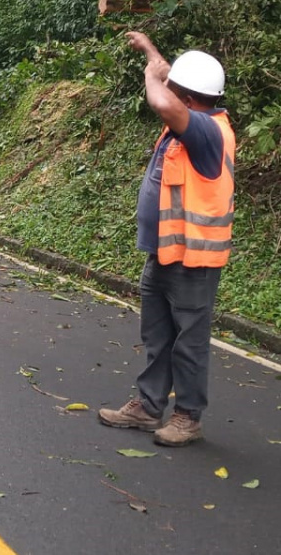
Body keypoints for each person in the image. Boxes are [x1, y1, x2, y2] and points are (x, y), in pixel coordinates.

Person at [98, 32, 236, 447]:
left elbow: (160, 99)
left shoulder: (207, 132)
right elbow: (169, 92)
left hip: (193, 260)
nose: (167, 94)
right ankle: (148, 405)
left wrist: (150, 75)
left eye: (176, 90)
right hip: (165, 253)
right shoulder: (190, 122)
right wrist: (151, 52)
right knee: (157, 334)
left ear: (189, 102)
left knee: (189, 343)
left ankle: (187, 416)